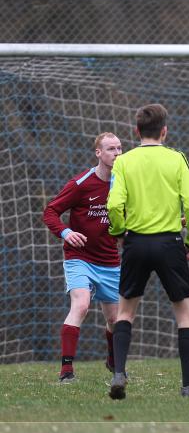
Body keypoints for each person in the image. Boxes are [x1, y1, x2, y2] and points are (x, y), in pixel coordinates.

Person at [106, 104, 189, 400]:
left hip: (135, 243)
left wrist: (119, 232)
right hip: (169, 242)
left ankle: (119, 372)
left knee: (125, 311)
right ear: (164, 131)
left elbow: (113, 206)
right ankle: (187, 386)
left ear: (136, 131)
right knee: (184, 313)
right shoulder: (176, 159)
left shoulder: (124, 161)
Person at [42, 132, 123, 383]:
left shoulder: (125, 183)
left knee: (114, 319)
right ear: (98, 153)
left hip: (110, 260)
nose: (117, 153)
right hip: (79, 257)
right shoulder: (81, 184)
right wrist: (66, 232)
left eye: (120, 148)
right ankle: (66, 371)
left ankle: (112, 360)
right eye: (111, 149)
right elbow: (51, 212)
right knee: (81, 305)